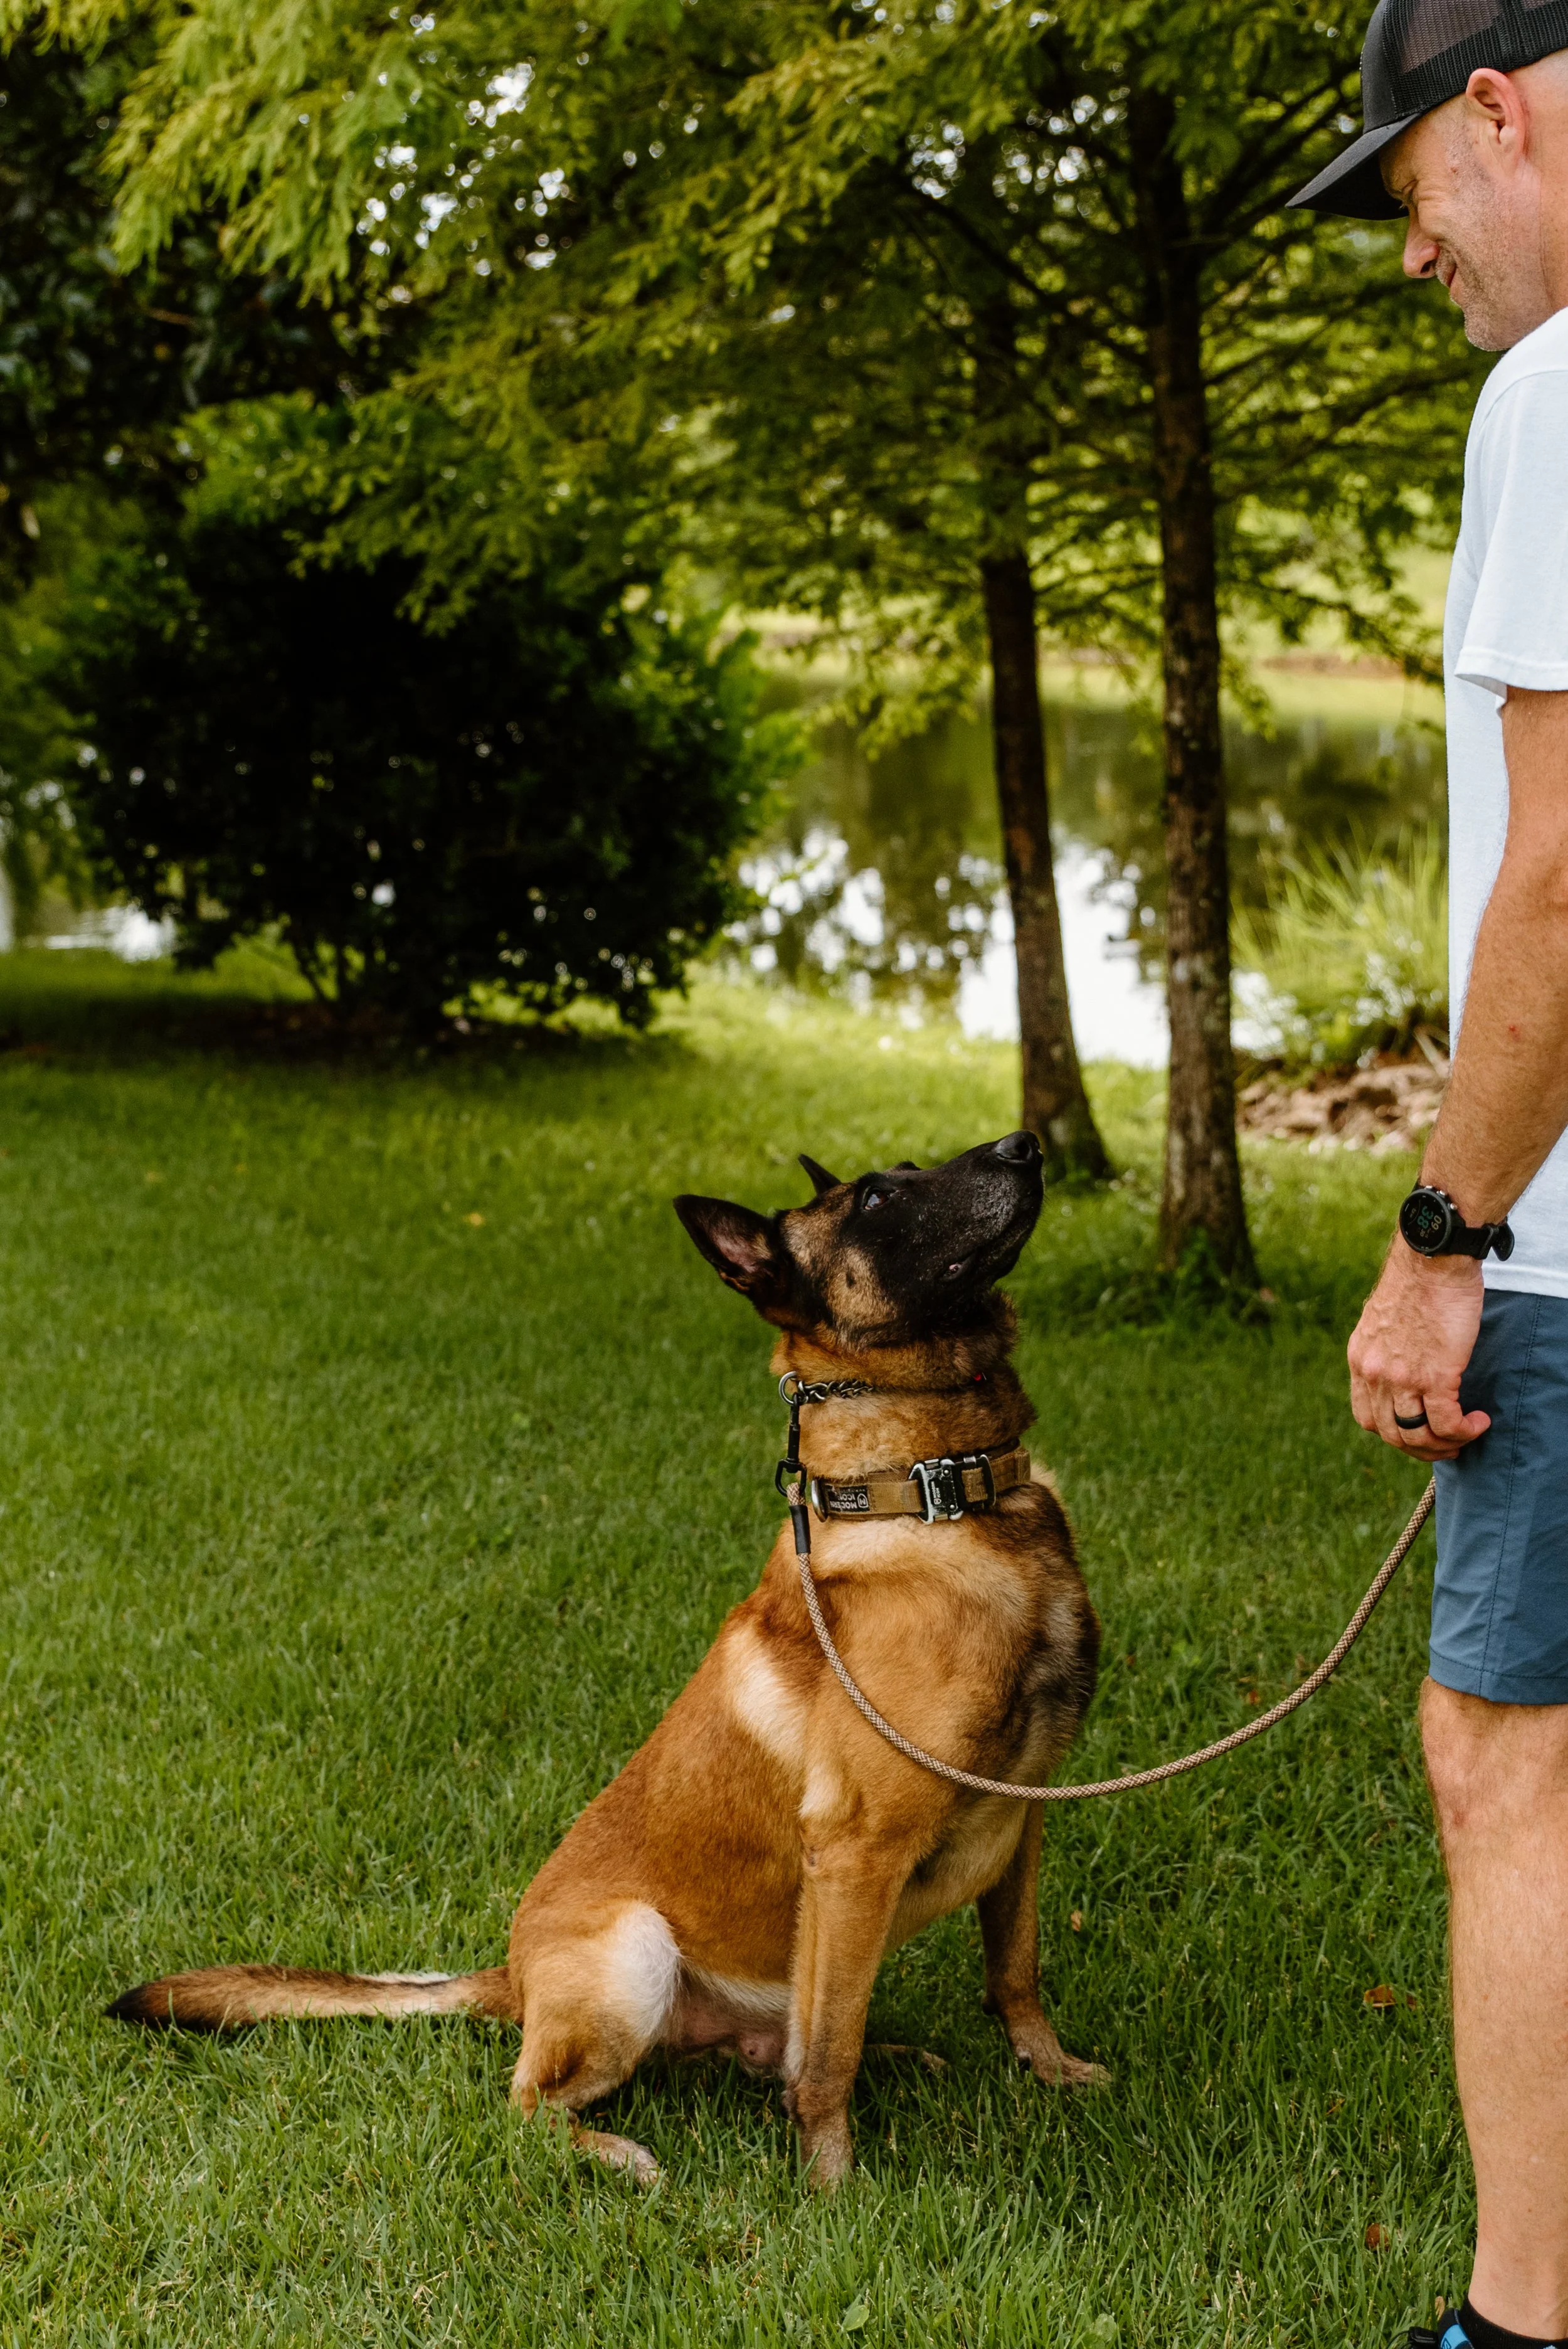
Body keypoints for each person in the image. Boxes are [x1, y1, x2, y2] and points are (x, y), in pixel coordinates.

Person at [1294, 9, 1568, 2345]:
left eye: (1407, 198)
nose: (1417, 258)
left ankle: (1512, 2327)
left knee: (1505, 1764)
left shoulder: (1556, 397)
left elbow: (1563, 883)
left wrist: (1441, 1244)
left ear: (1500, 108)